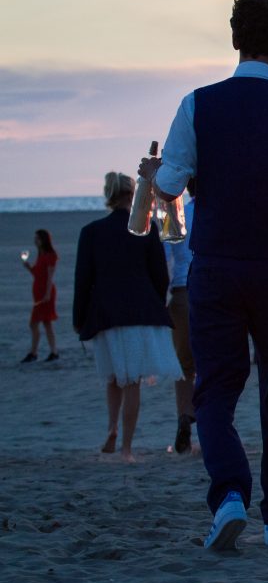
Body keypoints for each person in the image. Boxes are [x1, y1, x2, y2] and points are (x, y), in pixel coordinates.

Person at [140, 0, 268, 551]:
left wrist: (156, 177)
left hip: (217, 269)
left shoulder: (197, 105)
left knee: (215, 392)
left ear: (234, 39)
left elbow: (170, 187)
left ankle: (229, 491)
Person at [73, 172, 182, 463]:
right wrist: (156, 302)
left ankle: (111, 430)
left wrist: (79, 317)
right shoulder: (147, 229)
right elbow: (159, 275)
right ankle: (127, 447)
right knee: (131, 379)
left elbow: (83, 280)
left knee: (113, 377)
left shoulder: (92, 231)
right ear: (132, 195)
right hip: (139, 310)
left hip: (106, 312)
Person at [164, 178, 197, 453]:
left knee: (184, 365)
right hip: (215, 288)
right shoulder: (219, 211)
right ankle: (210, 420)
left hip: (182, 290)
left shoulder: (177, 214)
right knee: (215, 361)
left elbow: (167, 257)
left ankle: (184, 415)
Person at [21, 229, 60, 363]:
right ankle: (48, 352)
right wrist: (28, 267)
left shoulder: (50, 255)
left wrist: (47, 293)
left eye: (37, 239)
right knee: (42, 323)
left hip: (45, 293)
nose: (35, 241)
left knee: (39, 322)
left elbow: (49, 276)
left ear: (43, 240)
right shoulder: (41, 255)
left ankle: (36, 352)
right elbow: (38, 275)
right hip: (39, 293)